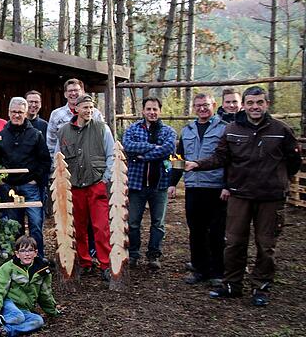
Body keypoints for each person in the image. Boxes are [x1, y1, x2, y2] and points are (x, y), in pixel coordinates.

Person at [185, 86, 302, 307]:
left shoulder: (281, 130)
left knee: (265, 244)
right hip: (240, 195)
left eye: (259, 103)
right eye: (250, 103)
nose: (255, 107)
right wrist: (198, 164)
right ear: (245, 105)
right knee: (234, 242)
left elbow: (293, 161)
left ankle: (261, 287)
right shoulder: (232, 130)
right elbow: (220, 157)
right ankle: (232, 284)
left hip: (270, 197)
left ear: (267, 104)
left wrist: (278, 180)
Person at [168, 93, 227, 286]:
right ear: (194, 108)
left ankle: (217, 271)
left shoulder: (224, 129)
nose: (202, 109)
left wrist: (227, 185)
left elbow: (228, 161)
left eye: (206, 105)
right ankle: (199, 269)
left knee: (216, 231)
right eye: (198, 105)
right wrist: (172, 182)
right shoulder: (187, 130)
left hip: (215, 187)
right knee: (196, 230)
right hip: (193, 187)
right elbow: (179, 158)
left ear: (214, 105)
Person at [54, 95, 114, 280]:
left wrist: (106, 178)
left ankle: (106, 264)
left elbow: (111, 155)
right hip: (75, 187)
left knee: (101, 227)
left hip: (96, 184)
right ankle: (85, 262)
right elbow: (58, 158)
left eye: (91, 107)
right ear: (76, 110)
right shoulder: (63, 131)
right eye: (85, 107)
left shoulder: (102, 128)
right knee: (78, 227)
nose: (89, 111)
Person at [0, 97, 51, 257]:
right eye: (14, 112)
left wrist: (35, 178)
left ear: (26, 113)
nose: (17, 115)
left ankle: (38, 258)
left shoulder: (35, 135)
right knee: (14, 225)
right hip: (9, 188)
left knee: (36, 223)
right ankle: (18, 258)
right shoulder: (1, 135)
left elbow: (45, 161)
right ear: (9, 113)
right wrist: (2, 179)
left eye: (20, 112)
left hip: (30, 187)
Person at [122, 96, 176, 270]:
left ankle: (154, 255)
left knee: (158, 223)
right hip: (136, 184)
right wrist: (155, 149)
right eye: (149, 109)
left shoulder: (168, 131)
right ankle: (133, 254)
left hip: (159, 184)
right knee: (133, 222)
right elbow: (128, 146)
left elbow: (168, 149)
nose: (152, 112)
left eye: (155, 109)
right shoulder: (133, 129)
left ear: (159, 111)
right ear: (143, 110)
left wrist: (143, 155)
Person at [46, 78, 104, 160]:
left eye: (76, 90)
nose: (73, 93)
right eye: (70, 91)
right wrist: (56, 163)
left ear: (82, 92)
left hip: (91, 162)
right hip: (67, 163)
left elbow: (102, 138)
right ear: (65, 94)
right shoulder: (56, 115)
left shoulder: (95, 114)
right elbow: (51, 143)